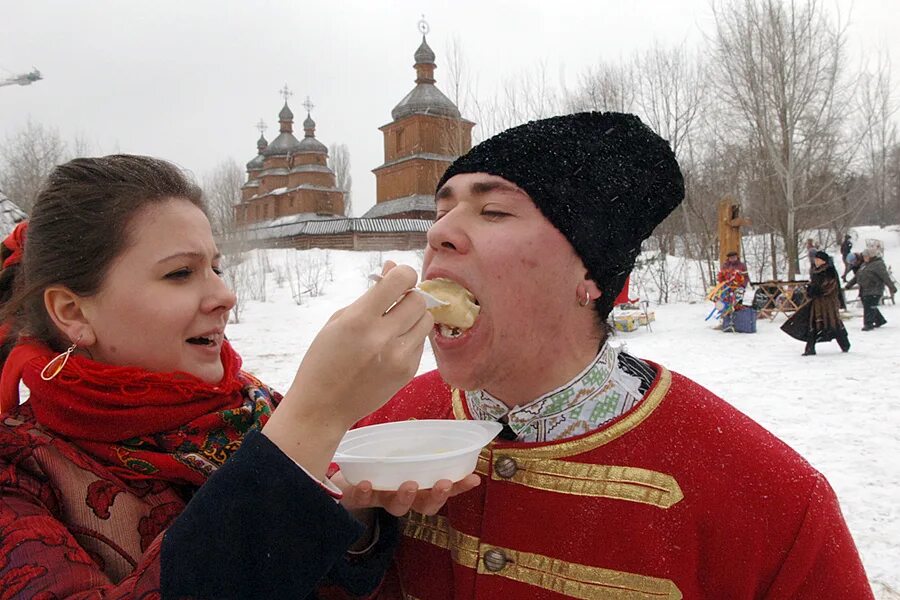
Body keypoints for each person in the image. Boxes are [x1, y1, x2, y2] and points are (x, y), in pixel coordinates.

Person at [357, 113, 874, 598]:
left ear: (590, 275)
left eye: (494, 210)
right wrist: (352, 533)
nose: (437, 232)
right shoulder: (380, 433)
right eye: (442, 211)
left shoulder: (771, 500)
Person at [0, 155, 476, 599]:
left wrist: (352, 510)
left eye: (216, 267)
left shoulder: (259, 408)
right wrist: (314, 417)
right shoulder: (21, 470)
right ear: (72, 311)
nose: (225, 296)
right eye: (180, 273)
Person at [781, 250, 850, 355]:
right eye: (815, 259)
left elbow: (830, 286)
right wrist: (810, 289)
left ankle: (844, 344)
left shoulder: (829, 271)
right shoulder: (816, 271)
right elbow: (814, 284)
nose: (816, 261)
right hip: (816, 303)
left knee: (833, 323)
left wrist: (816, 291)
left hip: (828, 304)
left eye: (818, 259)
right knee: (813, 323)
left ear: (823, 261)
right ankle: (810, 348)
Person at [845, 249, 897, 331]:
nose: (865, 258)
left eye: (866, 256)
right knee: (869, 304)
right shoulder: (864, 265)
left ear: (871, 256)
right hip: (865, 289)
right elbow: (857, 276)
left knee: (869, 306)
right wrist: (849, 285)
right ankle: (880, 320)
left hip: (875, 288)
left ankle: (868, 324)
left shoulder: (878, 265)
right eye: (864, 256)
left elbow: (885, 277)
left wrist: (892, 287)